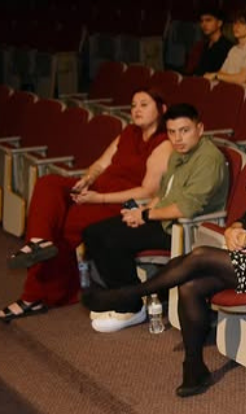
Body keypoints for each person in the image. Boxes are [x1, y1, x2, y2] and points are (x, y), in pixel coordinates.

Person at [86, 125, 246, 394]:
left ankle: (131, 294)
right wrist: (234, 230)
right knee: (190, 285)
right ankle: (194, 368)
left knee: (199, 256)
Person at [0, 90, 170, 318]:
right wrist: (86, 180)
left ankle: (33, 297)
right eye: (134, 104)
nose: (136, 109)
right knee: (49, 183)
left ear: (162, 109)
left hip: (121, 201)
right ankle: (38, 241)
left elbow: (147, 191)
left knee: (66, 225)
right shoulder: (128, 132)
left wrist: (99, 198)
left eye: (144, 104)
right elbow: (100, 164)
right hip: (98, 191)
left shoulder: (164, 144)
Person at [75, 102, 229, 307]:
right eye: (172, 132)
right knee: (93, 232)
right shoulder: (178, 153)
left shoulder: (209, 159)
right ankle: (117, 294)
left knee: (114, 241)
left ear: (200, 129)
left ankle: (129, 304)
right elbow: (163, 192)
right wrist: (142, 210)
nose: (178, 138)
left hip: (184, 228)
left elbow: (185, 209)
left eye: (184, 131)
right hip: (162, 218)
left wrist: (146, 216)